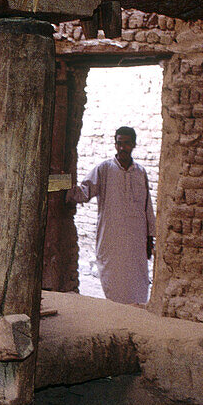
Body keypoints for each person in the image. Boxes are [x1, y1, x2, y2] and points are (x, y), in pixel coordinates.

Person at [67, 125, 156, 305]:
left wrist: (149, 237)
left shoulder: (140, 172)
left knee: (137, 277)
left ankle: (135, 311)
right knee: (114, 275)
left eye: (127, 144)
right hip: (112, 236)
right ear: (115, 145)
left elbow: (147, 206)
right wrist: (59, 183)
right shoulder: (104, 169)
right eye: (119, 143)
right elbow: (84, 192)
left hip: (135, 239)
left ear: (134, 145)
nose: (123, 147)